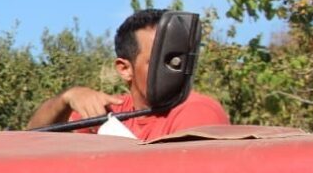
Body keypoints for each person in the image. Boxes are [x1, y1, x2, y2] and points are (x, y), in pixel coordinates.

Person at [26, 8, 229, 138]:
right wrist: (67, 98)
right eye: (159, 62)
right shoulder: (110, 111)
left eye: (176, 61)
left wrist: (113, 138)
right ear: (125, 69)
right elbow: (31, 138)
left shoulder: (197, 110)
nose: (174, 70)